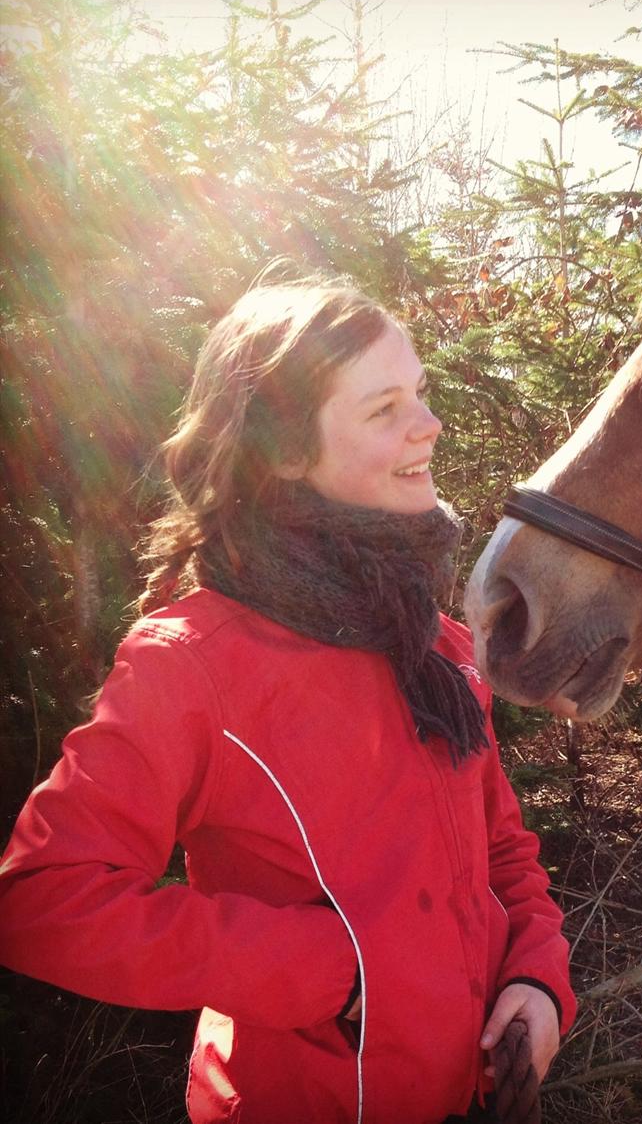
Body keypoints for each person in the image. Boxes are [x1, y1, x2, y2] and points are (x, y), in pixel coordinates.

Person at [0, 270, 576, 1124]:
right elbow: (45, 898)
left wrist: (537, 978)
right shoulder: (191, 665)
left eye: (420, 393)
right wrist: (330, 972)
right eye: (384, 409)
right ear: (283, 453)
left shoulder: (437, 649)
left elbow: (502, 854)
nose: (429, 423)